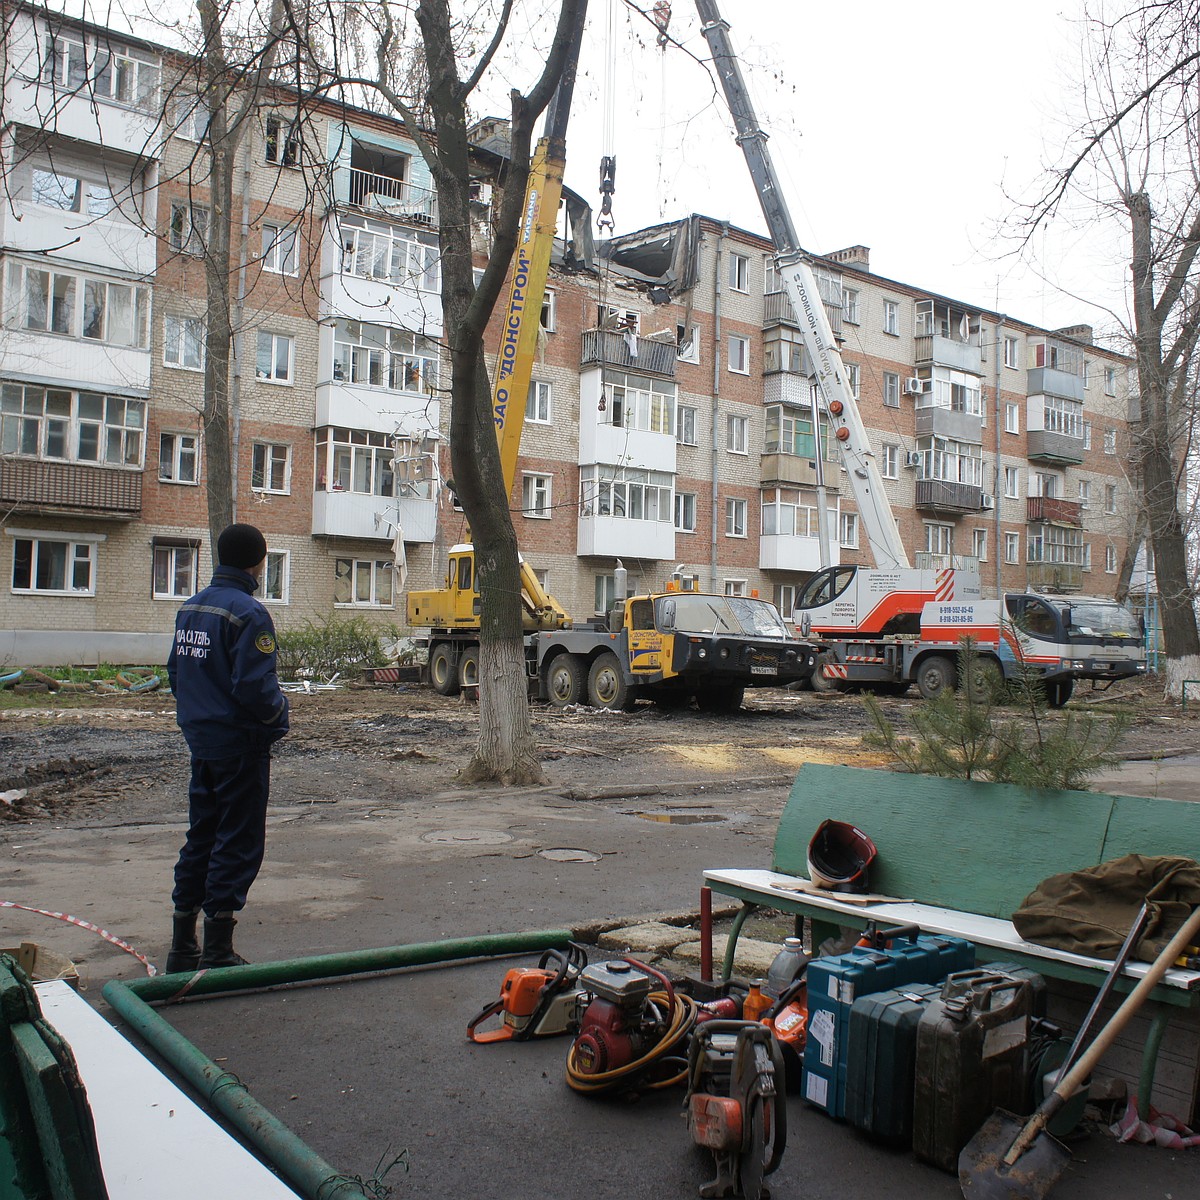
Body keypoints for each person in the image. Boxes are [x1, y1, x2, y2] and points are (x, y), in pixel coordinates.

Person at [165, 523, 289, 971]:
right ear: (257, 562)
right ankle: (216, 947)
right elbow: (256, 688)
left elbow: (177, 674)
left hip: (202, 742)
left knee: (201, 834)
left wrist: (200, 717)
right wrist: (279, 718)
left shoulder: (191, 607)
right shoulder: (249, 614)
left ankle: (182, 946)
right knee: (236, 840)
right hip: (240, 744)